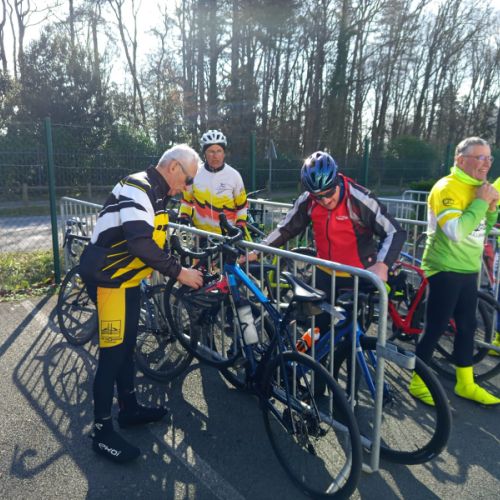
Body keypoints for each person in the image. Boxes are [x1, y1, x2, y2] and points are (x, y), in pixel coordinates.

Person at [79, 144, 204, 463]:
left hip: (128, 281)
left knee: (127, 346)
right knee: (112, 354)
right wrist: (180, 273)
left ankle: (129, 408)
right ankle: (101, 432)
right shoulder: (138, 186)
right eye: (188, 180)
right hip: (109, 281)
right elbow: (139, 242)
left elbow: (155, 239)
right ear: (174, 167)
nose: (187, 188)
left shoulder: (159, 194)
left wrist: (176, 255)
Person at [244, 150, 406, 333]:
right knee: (316, 331)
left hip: (356, 277)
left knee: (351, 337)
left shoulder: (359, 198)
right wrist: (257, 251)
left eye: (329, 193)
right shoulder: (308, 201)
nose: (326, 200)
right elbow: (286, 228)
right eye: (318, 196)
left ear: (337, 180)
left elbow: (395, 231)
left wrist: (382, 265)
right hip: (324, 273)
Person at [410, 137, 500, 406]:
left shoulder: (479, 189)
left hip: (469, 268)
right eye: (480, 157)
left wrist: (491, 208)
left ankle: (465, 383)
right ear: (460, 160)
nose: (486, 164)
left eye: (489, 158)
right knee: (436, 326)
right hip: (444, 267)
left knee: (467, 326)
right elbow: (456, 232)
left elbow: (481, 229)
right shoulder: (446, 187)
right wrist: (482, 202)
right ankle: (418, 381)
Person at [178, 129, 248, 235]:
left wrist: (240, 226)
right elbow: (186, 201)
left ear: (224, 153)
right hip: (200, 234)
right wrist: (184, 217)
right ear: (204, 154)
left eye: (219, 151)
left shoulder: (234, 176)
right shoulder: (194, 173)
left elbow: (242, 206)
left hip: (227, 235)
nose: (215, 156)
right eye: (211, 151)